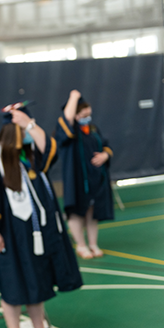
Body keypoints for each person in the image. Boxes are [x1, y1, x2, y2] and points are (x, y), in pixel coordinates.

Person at [0, 101, 82, 328]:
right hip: (11, 234)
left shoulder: (31, 155)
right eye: (25, 130)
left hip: (36, 233)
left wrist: (30, 124)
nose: (30, 134)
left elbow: (51, 148)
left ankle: (38, 324)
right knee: (13, 284)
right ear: (15, 132)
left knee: (37, 283)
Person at [56, 90, 114, 259]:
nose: (86, 113)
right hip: (77, 178)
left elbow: (105, 146)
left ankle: (93, 243)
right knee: (76, 212)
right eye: (81, 111)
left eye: (87, 109)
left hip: (95, 178)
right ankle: (81, 245)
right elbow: (66, 120)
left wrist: (105, 155)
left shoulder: (93, 128)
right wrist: (73, 98)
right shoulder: (69, 131)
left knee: (92, 211)